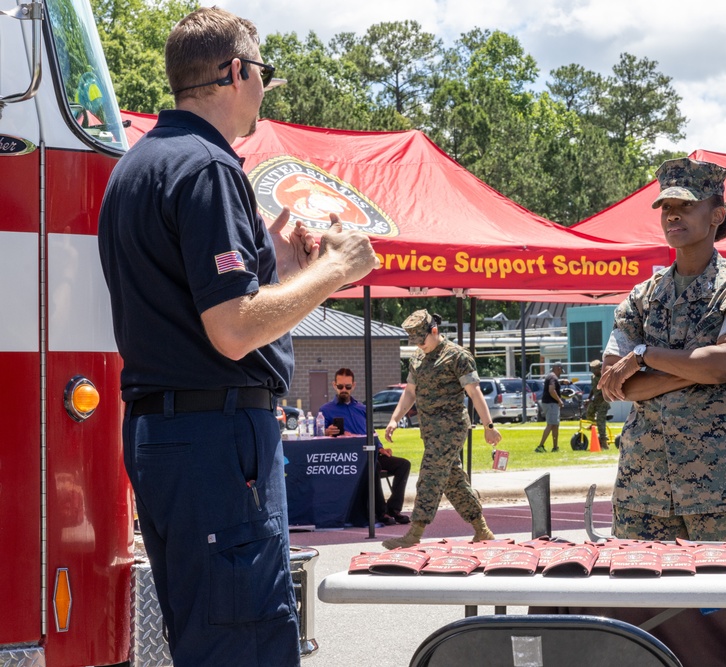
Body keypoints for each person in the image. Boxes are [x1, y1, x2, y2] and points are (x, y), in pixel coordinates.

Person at [97, 8, 379, 665]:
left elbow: (194, 303)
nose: (262, 90)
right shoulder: (208, 168)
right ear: (236, 71)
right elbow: (231, 329)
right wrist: (336, 269)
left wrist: (274, 264)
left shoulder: (138, 167)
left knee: (207, 636)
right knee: (246, 635)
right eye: (262, 75)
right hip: (217, 437)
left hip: (164, 432)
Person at [598, 157, 726, 543]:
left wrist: (644, 357)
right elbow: (616, 385)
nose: (672, 216)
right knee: (641, 604)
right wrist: (698, 368)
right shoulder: (643, 296)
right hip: (643, 493)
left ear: (717, 214)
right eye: (666, 208)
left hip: (725, 491)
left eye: (686, 205)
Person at [381, 310, 502, 549]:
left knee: (430, 476)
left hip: (451, 429)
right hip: (429, 431)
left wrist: (489, 426)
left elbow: (474, 392)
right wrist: (395, 419)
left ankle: (414, 532)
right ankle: (482, 529)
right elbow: (409, 393)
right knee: (453, 481)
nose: (419, 345)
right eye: (414, 341)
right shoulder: (418, 357)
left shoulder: (456, 356)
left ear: (434, 331)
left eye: (422, 340)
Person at [318, 368, 412, 524]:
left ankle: (393, 509)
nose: (344, 390)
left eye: (347, 387)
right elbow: (319, 435)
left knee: (403, 465)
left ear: (353, 386)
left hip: (373, 453)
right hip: (351, 457)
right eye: (340, 386)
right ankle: (380, 512)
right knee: (374, 466)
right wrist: (327, 432)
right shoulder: (326, 410)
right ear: (334, 385)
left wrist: (381, 447)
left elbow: (372, 432)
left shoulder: (361, 409)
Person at [535, 362, 564, 453]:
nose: (560, 373)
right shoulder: (553, 377)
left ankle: (555, 447)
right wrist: (559, 400)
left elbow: (553, 385)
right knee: (551, 424)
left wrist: (562, 381)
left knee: (555, 425)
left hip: (550, 404)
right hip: (551, 404)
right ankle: (540, 446)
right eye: (560, 371)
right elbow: (551, 390)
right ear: (558, 368)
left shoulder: (551, 376)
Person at [585, 359, 610, 449]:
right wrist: (588, 399)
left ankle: (604, 442)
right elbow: (593, 388)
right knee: (589, 413)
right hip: (596, 400)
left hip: (603, 401)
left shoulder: (604, 377)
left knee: (600, 419)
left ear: (599, 369)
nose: (593, 372)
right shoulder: (593, 377)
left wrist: (602, 397)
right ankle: (594, 424)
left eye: (595, 370)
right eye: (592, 370)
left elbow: (607, 390)